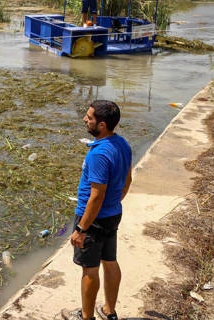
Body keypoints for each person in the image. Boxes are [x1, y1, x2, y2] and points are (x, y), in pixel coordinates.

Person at [61, 100, 132, 320]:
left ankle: (86, 316)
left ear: (101, 125)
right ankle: (109, 311)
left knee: (89, 270)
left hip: (93, 219)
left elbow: (96, 195)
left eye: (89, 117)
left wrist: (82, 228)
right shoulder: (122, 144)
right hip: (112, 214)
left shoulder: (98, 154)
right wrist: (113, 202)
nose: (85, 119)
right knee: (110, 261)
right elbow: (127, 180)